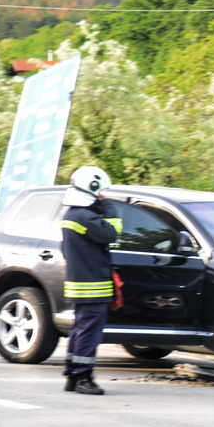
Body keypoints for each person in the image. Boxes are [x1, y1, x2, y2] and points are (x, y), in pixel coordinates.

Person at [60, 166, 123, 395]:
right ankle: (83, 377)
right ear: (92, 187)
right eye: (100, 191)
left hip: (80, 285)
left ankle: (72, 375)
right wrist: (109, 207)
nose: (101, 195)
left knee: (79, 329)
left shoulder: (71, 215)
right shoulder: (86, 217)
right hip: (93, 287)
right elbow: (112, 233)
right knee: (89, 332)